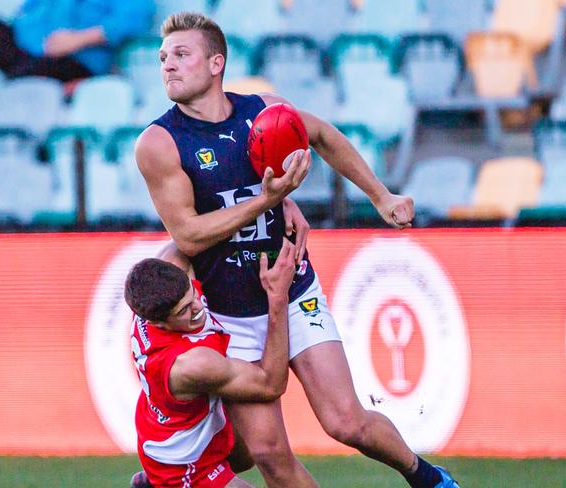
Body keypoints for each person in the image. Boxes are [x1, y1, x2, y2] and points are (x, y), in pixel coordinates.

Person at [134, 11, 460, 488]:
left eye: (181, 55)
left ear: (216, 63)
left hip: (294, 288)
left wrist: (380, 195)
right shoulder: (159, 143)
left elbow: (323, 135)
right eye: (163, 58)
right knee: (265, 451)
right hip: (227, 313)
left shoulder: (265, 113)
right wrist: (268, 200)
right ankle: (176, 474)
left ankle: (429, 477)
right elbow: (188, 236)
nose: (168, 65)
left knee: (346, 422)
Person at [125, 237, 297, 488]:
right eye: (184, 311)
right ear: (159, 324)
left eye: (192, 293)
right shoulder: (191, 364)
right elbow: (270, 384)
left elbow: (190, 237)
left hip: (183, 424)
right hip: (184, 463)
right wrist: (278, 298)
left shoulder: (167, 280)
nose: (197, 307)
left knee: (251, 452)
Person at [0, 0, 155, 81]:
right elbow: (26, 13)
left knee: (25, 77)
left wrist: (77, 40)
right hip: (30, 49)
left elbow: (137, 14)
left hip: (76, 59)